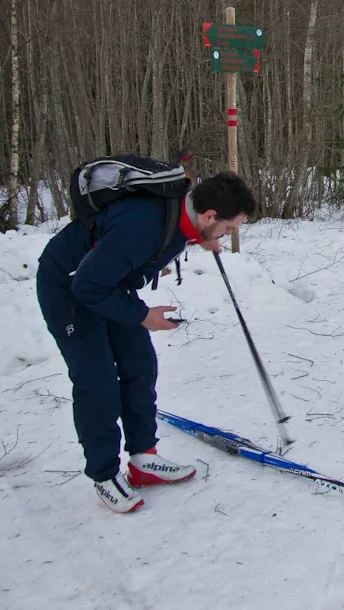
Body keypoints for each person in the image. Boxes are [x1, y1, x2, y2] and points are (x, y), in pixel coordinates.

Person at [36, 170, 258, 513]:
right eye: (227, 229)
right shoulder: (141, 227)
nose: (226, 236)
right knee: (98, 382)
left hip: (110, 283)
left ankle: (143, 460)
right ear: (210, 215)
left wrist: (201, 239)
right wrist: (142, 316)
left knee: (139, 365)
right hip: (70, 288)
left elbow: (178, 234)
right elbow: (87, 286)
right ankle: (104, 475)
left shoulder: (187, 215)